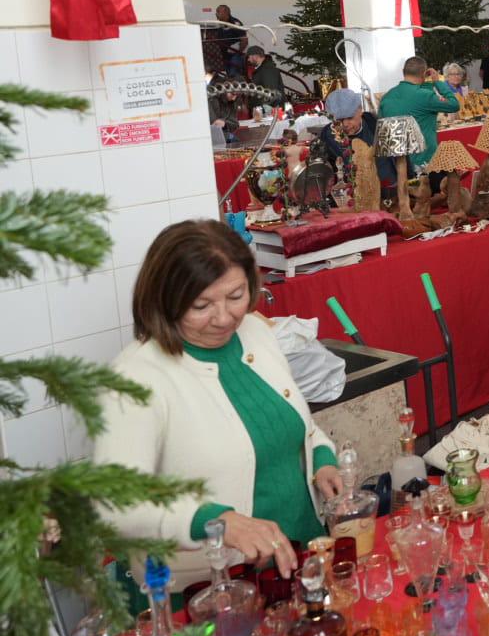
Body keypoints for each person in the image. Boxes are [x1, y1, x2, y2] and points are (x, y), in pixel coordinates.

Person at [96, 221, 340, 589]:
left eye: (236, 296)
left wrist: (321, 458)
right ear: (165, 300)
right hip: (214, 586)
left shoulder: (255, 334)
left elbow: (293, 423)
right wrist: (218, 522)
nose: (224, 318)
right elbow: (116, 503)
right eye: (201, 305)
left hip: (299, 554)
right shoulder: (136, 378)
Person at [377, 56, 461, 168]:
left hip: (397, 163)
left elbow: (381, 133)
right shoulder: (425, 95)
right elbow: (454, 104)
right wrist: (437, 82)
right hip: (424, 161)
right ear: (424, 74)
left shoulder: (386, 97)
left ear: (403, 71)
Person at [317, 88, 392, 194]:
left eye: (350, 118)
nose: (345, 124)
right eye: (338, 120)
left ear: (360, 110)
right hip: (350, 194)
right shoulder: (328, 135)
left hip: (386, 188)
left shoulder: (375, 124)